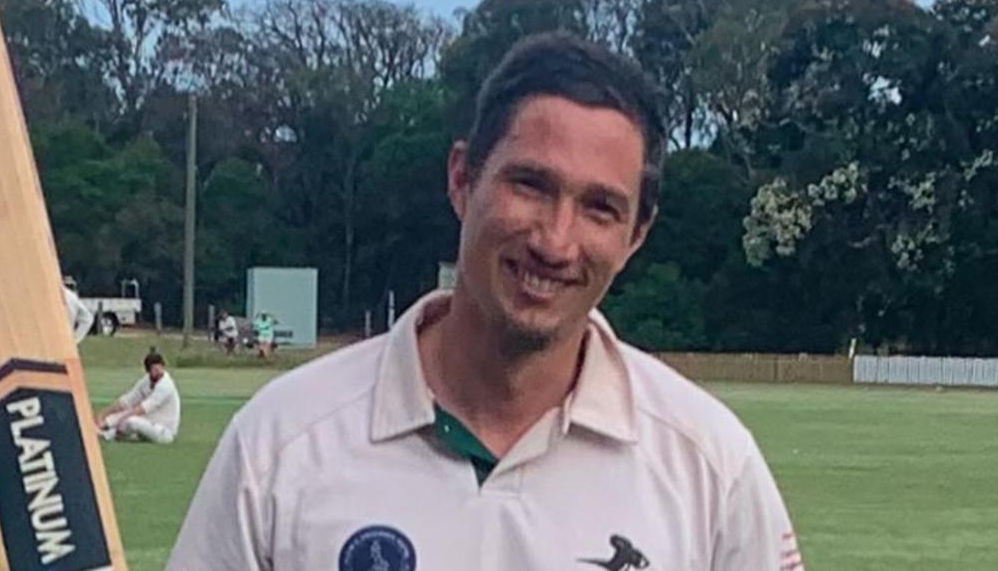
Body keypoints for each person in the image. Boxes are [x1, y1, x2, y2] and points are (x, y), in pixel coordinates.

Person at [166, 34, 804, 570]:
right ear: (461, 178)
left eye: (599, 209)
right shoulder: (282, 442)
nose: (555, 241)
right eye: (530, 184)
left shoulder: (709, 464)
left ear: (637, 234)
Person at [95, 348, 180, 444]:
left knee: (131, 420)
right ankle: (98, 427)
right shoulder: (146, 381)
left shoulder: (166, 385)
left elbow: (143, 409)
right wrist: (103, 413)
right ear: (148, 371)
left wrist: (122, 420)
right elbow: (127, 401)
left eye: (160, 368)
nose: (159, 372)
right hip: (149, 425)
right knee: (126, 414)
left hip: (164, 432)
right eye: (155, 369)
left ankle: (107, 435)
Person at [62, 279, 94, 344]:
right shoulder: (72, 296)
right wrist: (75, 339)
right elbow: (88, 319)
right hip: (65, 339)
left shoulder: (70, 296)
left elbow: (88, 319)